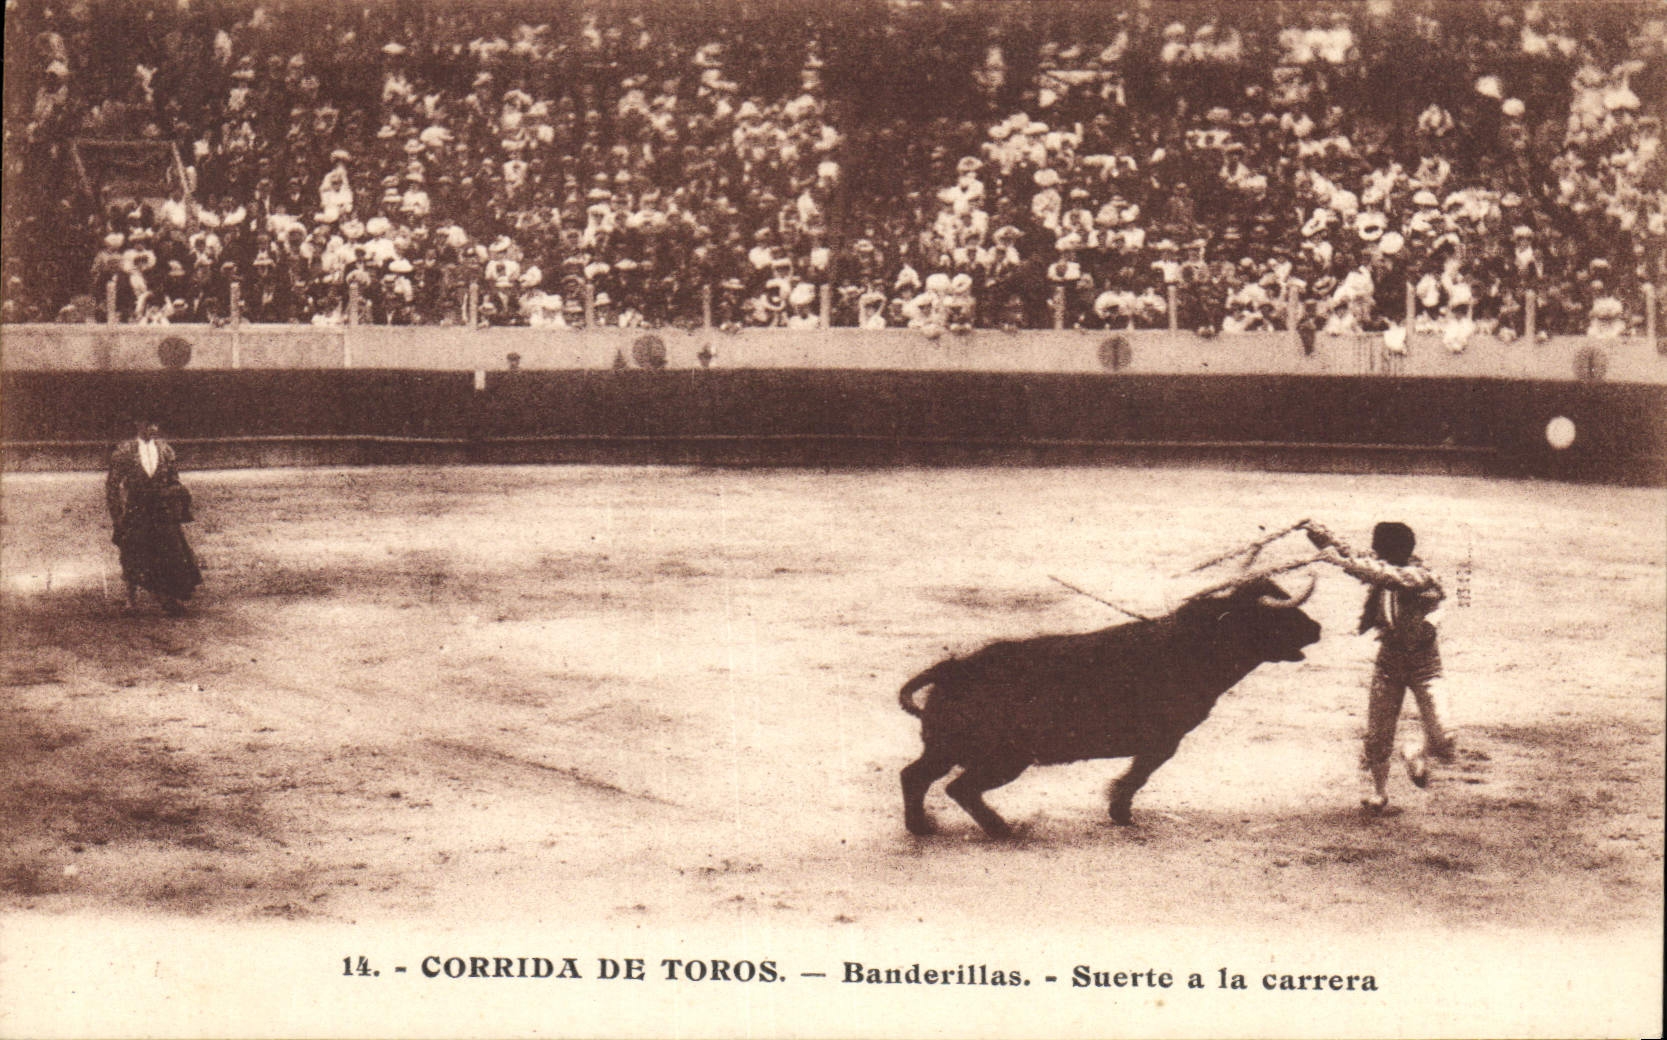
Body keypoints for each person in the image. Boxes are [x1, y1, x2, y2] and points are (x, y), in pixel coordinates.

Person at [1306, 520, 1455, 814]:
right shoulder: (1385, 563)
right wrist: (1318, 536)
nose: (1377, 554)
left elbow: (1382, 575)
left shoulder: (1418, 575)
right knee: (1378, 734)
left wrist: (1338, 561)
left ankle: (1415, 752)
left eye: (1381, 550)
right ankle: (1379, 793)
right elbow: (1354, 556)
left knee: (1444, 738)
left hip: (1426, 665)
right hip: (1389, 660)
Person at [106, 419, 202, 616]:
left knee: (169, 551)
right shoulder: (124, 451)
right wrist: (117, 515)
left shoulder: (165, 450)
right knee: (132, 551)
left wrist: (176, 494)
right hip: (136, 507)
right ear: (139, 425)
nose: (154, 429)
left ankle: (168, 598)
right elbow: (112, 486)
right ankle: (131, 600)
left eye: (156, 425)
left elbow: (174, 479)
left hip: (161, 508)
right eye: (150, 425)